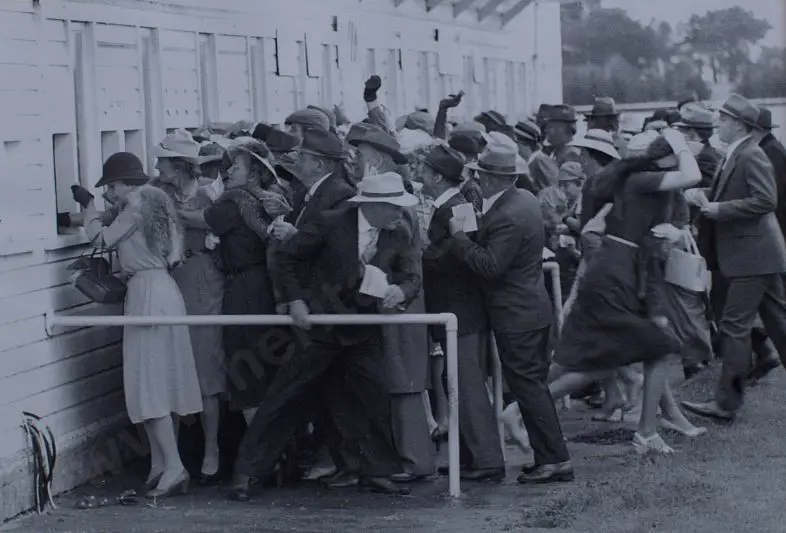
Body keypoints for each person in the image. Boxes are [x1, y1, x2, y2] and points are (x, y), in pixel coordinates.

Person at [229, 172, 421, 500]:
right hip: (318, 326)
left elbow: (412, 276)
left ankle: (375, 471)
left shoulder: (399, 231)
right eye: (394, 207)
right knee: (286, 397)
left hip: (362, 328)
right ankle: (247, 473)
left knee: (372, 397)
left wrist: (400, 292)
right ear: (374, 206)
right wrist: (297, 300)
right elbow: (287, 257)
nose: (400, 214)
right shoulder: (331, 222)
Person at [552, 129, 706, 454]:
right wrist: (680, 143)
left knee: (598, 361)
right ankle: (647, 432)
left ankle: (519, 409)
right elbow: (693, 175)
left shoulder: (641, 181)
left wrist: (673, 232)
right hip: (614, 274)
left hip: (618, 271)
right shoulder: (642, 179)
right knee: (641, 352)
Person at [71, 153, 202, 498]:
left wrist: (87, 209)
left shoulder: (134, 208)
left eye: (111, 186)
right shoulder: (160, 206)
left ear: (127, 183)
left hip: (146, 292)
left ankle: (173, 466)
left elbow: (100, 240)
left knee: (149, 381)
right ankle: (161, 464)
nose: (109, 193)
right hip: (165, 290)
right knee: (164, 379)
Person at [446, 132, 572, 483]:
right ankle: (551, 457)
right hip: (528, 308)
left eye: (477, 175)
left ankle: (554, 460)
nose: (474, 181)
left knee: (529, 388)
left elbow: (490, 265)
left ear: (489, 177)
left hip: (516, 314)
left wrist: (458, 238)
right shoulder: (524, 201)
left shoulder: (508, 213)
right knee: (531, 386)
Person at [682, 94, 786, 421]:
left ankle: (727, 403)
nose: (717, 124)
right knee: (779, 325)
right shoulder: (738, 153)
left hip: (752, 255)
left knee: (735, 325)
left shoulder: (750, 154)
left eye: (723, 119)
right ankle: (728, 401)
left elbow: (766, 200)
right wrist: (706, 198)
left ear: (739, 124)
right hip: (757, 253)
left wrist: (719, 209)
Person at [420, 143, 504, 479]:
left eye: (424, 170)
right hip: (459, 311)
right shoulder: (454, 204)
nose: (420, 174)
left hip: (462, 312)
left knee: (466, 384)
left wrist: (423, 253)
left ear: (438, 177)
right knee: (456, 380)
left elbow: (463, 254)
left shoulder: (458, 207)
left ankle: (487, 460)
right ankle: (471, 455)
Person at [151, 130, 226, 485]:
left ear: (178, 165)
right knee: (169, 363)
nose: (157, 167)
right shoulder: (157, 194)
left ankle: (212, 447)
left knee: (205, 363)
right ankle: (173, 455)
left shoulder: (209, 193)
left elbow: (211, 224)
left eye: (162, 161)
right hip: (169, 279)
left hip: (201, 277)